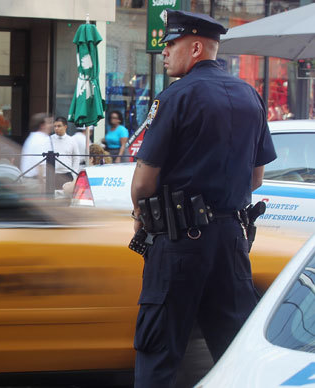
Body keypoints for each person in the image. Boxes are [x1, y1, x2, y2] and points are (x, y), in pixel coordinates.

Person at [130, 10, 276, 388]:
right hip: (231, 242)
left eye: (171, 44)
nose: (164, 52)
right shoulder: (250, 95)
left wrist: (139, 215)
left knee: (158, 351)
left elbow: (144, 183)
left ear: (195, 47)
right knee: (235, 352)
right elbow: (256, 178)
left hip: (178, 242)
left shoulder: (174, 97)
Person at [20, 113, 53, 181]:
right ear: (42, 126)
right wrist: (42, 187)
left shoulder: (32, 137)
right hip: (36, 182)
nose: (52, 125)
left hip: (27, 180)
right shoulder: (43, 139)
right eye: (49, 123)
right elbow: (40, 165)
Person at [50, 117, 79, 188]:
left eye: (59, 126)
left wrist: (74, 174)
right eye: (55, 126)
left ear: (65, 126)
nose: (56, 128)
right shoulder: (49, 140)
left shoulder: (72, 140)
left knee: (67, 197)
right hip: (52, 174)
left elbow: (76, 158)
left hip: (67, 174)